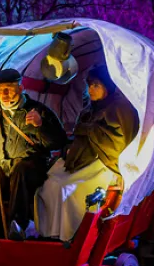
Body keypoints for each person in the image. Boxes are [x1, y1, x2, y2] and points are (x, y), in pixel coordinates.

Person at [35, 64, 139, 241]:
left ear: (108, 86)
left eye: (96, 85)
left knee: (67, 189)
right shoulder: (89, 109)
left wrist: (89, 131)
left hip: (104, 164)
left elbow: (120, 143)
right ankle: (49, 233)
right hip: (82, 161)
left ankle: (69, 235)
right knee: (49, 187)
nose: (91, 89)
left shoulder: (121, 109)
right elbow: (79, 134)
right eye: (89, 85)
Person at [0, 68, 67, 239]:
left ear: (20, 88)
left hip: (30, 164)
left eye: (9, 88)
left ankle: (17, 225)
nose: (4, 93)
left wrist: (40, 125)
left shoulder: (38, 110)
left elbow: (58, 142)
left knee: (20, 172)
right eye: (0, 89)